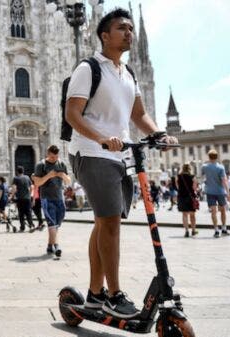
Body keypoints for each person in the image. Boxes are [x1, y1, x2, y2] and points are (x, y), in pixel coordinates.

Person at [64, 8, 178, 318]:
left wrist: (159, 135)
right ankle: (113, 295)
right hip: (90, 151)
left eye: (131, 28)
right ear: (104, 35)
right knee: (111, 221)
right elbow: (72, 114)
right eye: (121, 28)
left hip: (120, 154)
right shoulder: (88, 68)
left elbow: (138, 114)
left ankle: (93, 294)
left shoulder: (128, 73)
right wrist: (101, 137)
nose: (129, 33)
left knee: (104, 221)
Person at [32, 145, 71, 259]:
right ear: (48, 154)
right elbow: (37, 183)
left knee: (56, 224)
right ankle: (56, 246)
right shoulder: (41, 165)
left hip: (59, 198)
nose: (54, 159)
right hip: (47, 198)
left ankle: (50, 245)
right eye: (52, 157)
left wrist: (62, 175)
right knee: (52, 223)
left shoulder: (61, 164)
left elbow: (68, 181)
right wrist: (49, 175)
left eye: (56, 156)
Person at [201, 150, 230, 238]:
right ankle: (224, 229)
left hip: (210, 192)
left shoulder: (204, 166)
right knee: (223, 211)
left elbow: (202, 177)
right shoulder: (221, 167)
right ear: (217, 157)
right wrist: (228, 192)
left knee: (213, 212)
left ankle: (216, 230)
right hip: (220, 192)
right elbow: (224, 181)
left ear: (209, 157)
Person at [176, 163, 198, 237]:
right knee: (192, 215)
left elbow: (178, 187)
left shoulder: (178, 177)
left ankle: (186, 231)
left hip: (181, 196)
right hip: (191, 197)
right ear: (189, 168)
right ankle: (193, 230)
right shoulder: (192, 177)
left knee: (184, 214)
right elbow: (194, 188)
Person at [11, 166, 34, 232]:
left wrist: (12, 196)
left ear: (17, 171)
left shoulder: (16, 178)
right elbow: (31, 187)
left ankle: (22, 227)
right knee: (28, 212)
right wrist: (29, 194)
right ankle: (31, 225)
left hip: (20, 198)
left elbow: (14, 188)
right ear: (23, 171)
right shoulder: (27, 177)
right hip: (27, 198)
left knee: (21, 213)